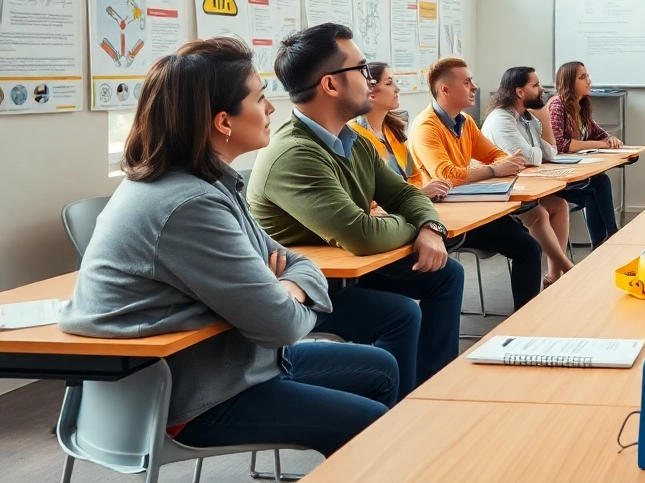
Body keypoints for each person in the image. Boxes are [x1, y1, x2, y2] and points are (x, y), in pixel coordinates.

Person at [61, 38, 396, 457]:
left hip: (232, 366)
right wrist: (285, 290)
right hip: (193, 399)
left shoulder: (207, 182)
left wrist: (287, 284)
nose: (271, 108)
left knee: (381, 367)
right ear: (224, 122)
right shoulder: (188, 204)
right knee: (376, 424)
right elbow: (282, 327)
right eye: (259, 98)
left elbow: (294, 261)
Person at [248, 24, 465, 398]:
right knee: (400, 313)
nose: (371, 80)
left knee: (446, 273)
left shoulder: (355, 142)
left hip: (351, 273)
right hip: (306, 286)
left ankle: (432, 391)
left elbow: (408, 196)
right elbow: (362, 235)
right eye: (362, 70)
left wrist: (430, 226)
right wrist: (411, 226)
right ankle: (397, 413)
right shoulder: (294, 154)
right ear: (331, 85)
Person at [409, 57, 544, 309]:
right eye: (467, 82)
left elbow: (498, 155)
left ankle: (527, 315)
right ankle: (526, 317)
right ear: (445, 90)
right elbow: (445, 175)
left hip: (469, 206)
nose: (475, 87)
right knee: (527, 245)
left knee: (527, 244)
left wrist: (493, 166)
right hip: (443, 215)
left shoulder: (465, 122)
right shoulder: (426, 126)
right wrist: (492, 170)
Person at [480, 66, 575, 284]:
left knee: (559, 205)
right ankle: (567, 267)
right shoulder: (501, 119)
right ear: (519, 92)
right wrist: (541, 143)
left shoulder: (527, 117)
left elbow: (550, 152)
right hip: (498, 192)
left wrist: (544, 120)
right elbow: (530, 157)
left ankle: (554, 275)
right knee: (539, 213)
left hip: (521, 185)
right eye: (535, 85)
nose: (541, 89)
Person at [348, 62, 452, 201]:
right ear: (370, 92)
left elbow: (414, 177)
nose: (397, 89)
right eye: (389, 83)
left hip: (408, 209)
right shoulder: (354, 136)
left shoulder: (392, 131)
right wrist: (419, 193)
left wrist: (424, 191)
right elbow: (366, 198)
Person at [546, 61, 623, 247]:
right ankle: (612, 234)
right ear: (568, 82)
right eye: (582, 77)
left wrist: (611, 139)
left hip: (575, 174)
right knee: (599, 182)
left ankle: (600, 242)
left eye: (587, 76)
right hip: (558, 179)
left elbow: (599, 132)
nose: (588, 81)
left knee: (595, 186)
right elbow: (560, 144)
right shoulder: (557, 105)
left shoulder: (580, 106)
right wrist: (600, 144)